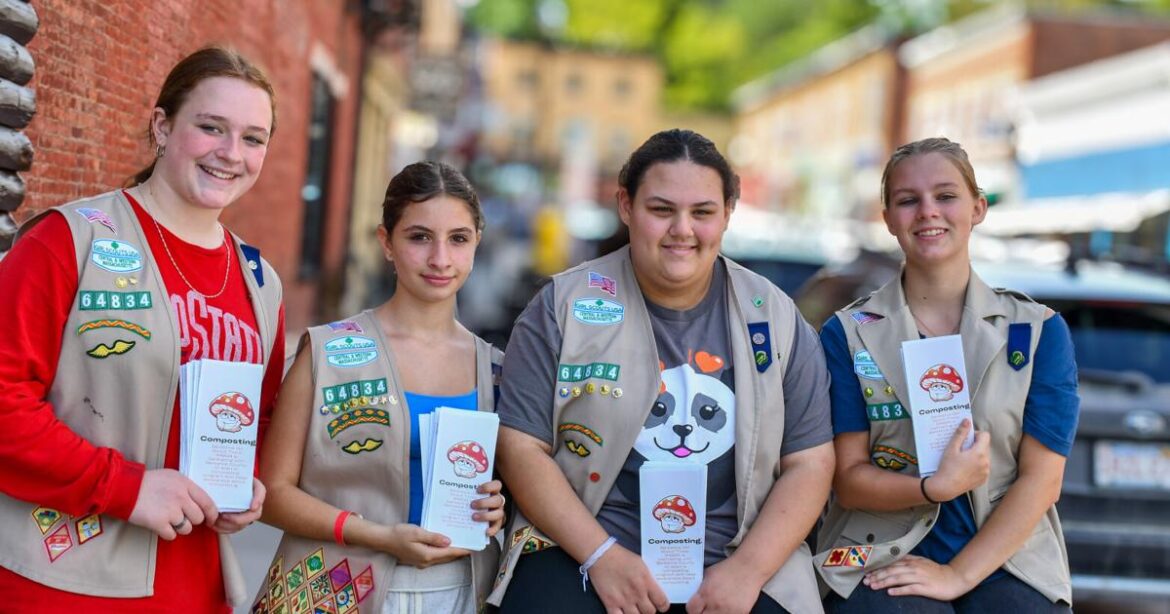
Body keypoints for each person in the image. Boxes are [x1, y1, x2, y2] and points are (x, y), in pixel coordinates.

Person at [490, 129, 836, 614]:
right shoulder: (563, 306)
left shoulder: (774, 316)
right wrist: (602, 557)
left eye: (702, 212)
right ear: (626, 207)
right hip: (580, 546)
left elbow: (811, 463)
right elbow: (520, 446)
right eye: (661, 210)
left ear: (728, 213)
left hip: (737, 555)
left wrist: (747, 571)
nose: (682, 229)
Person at [0, 46, 285, 612]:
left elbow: (261, 416)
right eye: (210, 128)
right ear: (162, 125)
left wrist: (245, 482)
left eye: (253, 138)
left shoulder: (261, 282)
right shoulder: (69, 242)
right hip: (63, 579)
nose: (231, 153)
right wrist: (126, 488)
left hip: (196, 583)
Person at [816, 137, 1078, 612]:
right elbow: (848, 479)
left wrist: (958, 574)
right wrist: (931, 488)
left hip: (1006, 555)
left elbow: (1042, 480)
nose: (928, 211)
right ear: (889, 218)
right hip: (878, 549)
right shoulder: (848, 334)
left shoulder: (1037, 331)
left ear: (977, 209)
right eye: (908, 200)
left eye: (946, 196)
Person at [255, 161, 506, 614]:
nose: (440, 259)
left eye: (458, 239)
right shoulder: (329, 352)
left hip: (463, 592)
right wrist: (378, 535)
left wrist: (496, 506)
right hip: (334, 588)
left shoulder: (497, 370)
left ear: (476, 244)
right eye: (419, 237)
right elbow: (271, 493)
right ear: (386, 242)